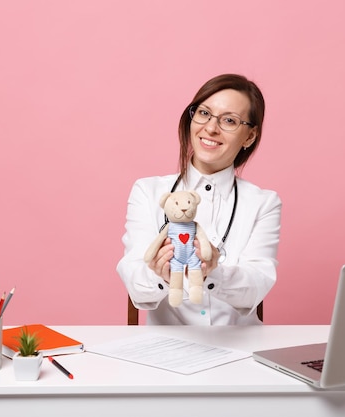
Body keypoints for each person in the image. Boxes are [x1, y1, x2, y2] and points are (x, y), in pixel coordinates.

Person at [116, 74, 281, 325]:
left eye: (229, 120)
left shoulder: (263, 202)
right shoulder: (148, 191)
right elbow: (134, 281)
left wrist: (215, 272)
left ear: (249, 136)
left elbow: (258, 285)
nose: (211, 128)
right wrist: (160, 275)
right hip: (165, 352)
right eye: (204, 113)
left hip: (240, 349)